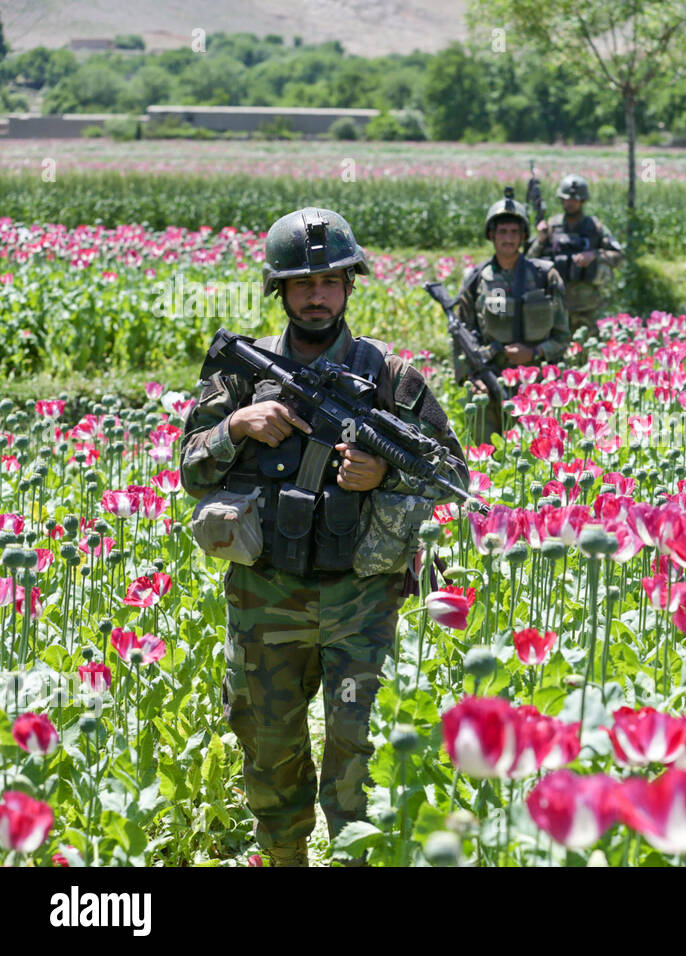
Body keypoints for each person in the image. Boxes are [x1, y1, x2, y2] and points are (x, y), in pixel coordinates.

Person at [180, 207, 468, 867]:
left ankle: (353, 859)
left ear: (349, 288)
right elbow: (190, 471)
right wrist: (237, 428)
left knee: (357, 746)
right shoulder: (239, 376)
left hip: (361, 599)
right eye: (303, 282)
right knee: (269, 742)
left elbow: (450, 474)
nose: (317, 294)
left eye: (332, 281)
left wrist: (383, 471)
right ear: (279, 291)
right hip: (265, 595)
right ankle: (284, 857)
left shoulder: (393, 380)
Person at [452, 189, 569, 442]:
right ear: (491, 235)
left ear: (524, 236)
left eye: (514, 232)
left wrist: (535, 353)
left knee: (535, 453)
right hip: (487, 381)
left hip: (536, 384)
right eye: (502, 232)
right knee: (484, 456)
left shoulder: (545, 276)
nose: (508, 238)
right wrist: (470, 378)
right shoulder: (475, 279)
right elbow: (459, 336)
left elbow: (562, 337)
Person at [527, 174, 623, 339]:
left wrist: (595, 254)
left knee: (587, 349)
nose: (570, 203)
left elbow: (618, 256)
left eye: (575, 199)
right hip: (555, 303)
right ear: (561, 199)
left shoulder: (595, 227)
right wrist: (541, 239)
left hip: (587, 305)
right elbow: (530, 260)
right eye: (566, 199)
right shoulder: (551, 226)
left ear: (583, 200)